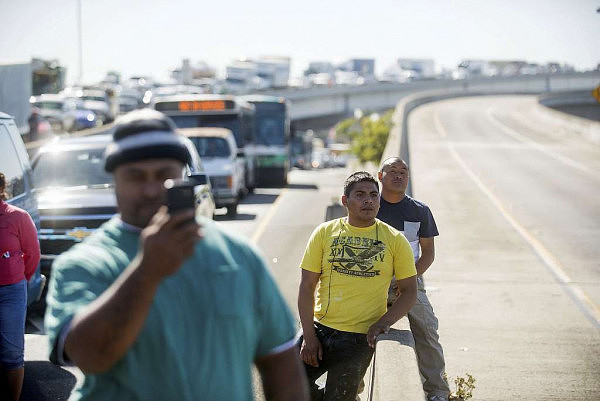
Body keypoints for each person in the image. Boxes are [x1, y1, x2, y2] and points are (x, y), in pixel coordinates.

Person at [44, 109, 308, 400]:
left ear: (184, 175)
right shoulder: (84, 263)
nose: (150, 189)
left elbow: (280, 361)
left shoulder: (239, 255)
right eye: (135, 176)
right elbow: (89, 357)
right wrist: (147, 272)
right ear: (114, 180)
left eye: (163, 175)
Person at [297, 171, 417, 401]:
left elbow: (409, 291)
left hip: (359, 338)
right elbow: (306, 287)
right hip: (320, 328)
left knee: (338, 396)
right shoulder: (324, 233)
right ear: (345, 201)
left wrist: (383, 323)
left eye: (373, 195)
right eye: (360, 195)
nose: (368, 200)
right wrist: (309, 337)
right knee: (285, 383)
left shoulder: (394, 239)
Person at [377, 157, 450, 401]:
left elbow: (428, 254)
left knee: (428, 329)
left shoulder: (420, 210)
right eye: (392, 171)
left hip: (408, 281)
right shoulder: (370, 206)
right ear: (380, 176)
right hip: (370, 282)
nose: (399, 176)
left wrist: (407, 281)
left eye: (403, 172)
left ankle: (437, 391)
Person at [0, 172, 41, 401]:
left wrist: (19, 278)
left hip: (11, 291)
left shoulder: (18, 217)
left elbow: (33, 254)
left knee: (12, 354)